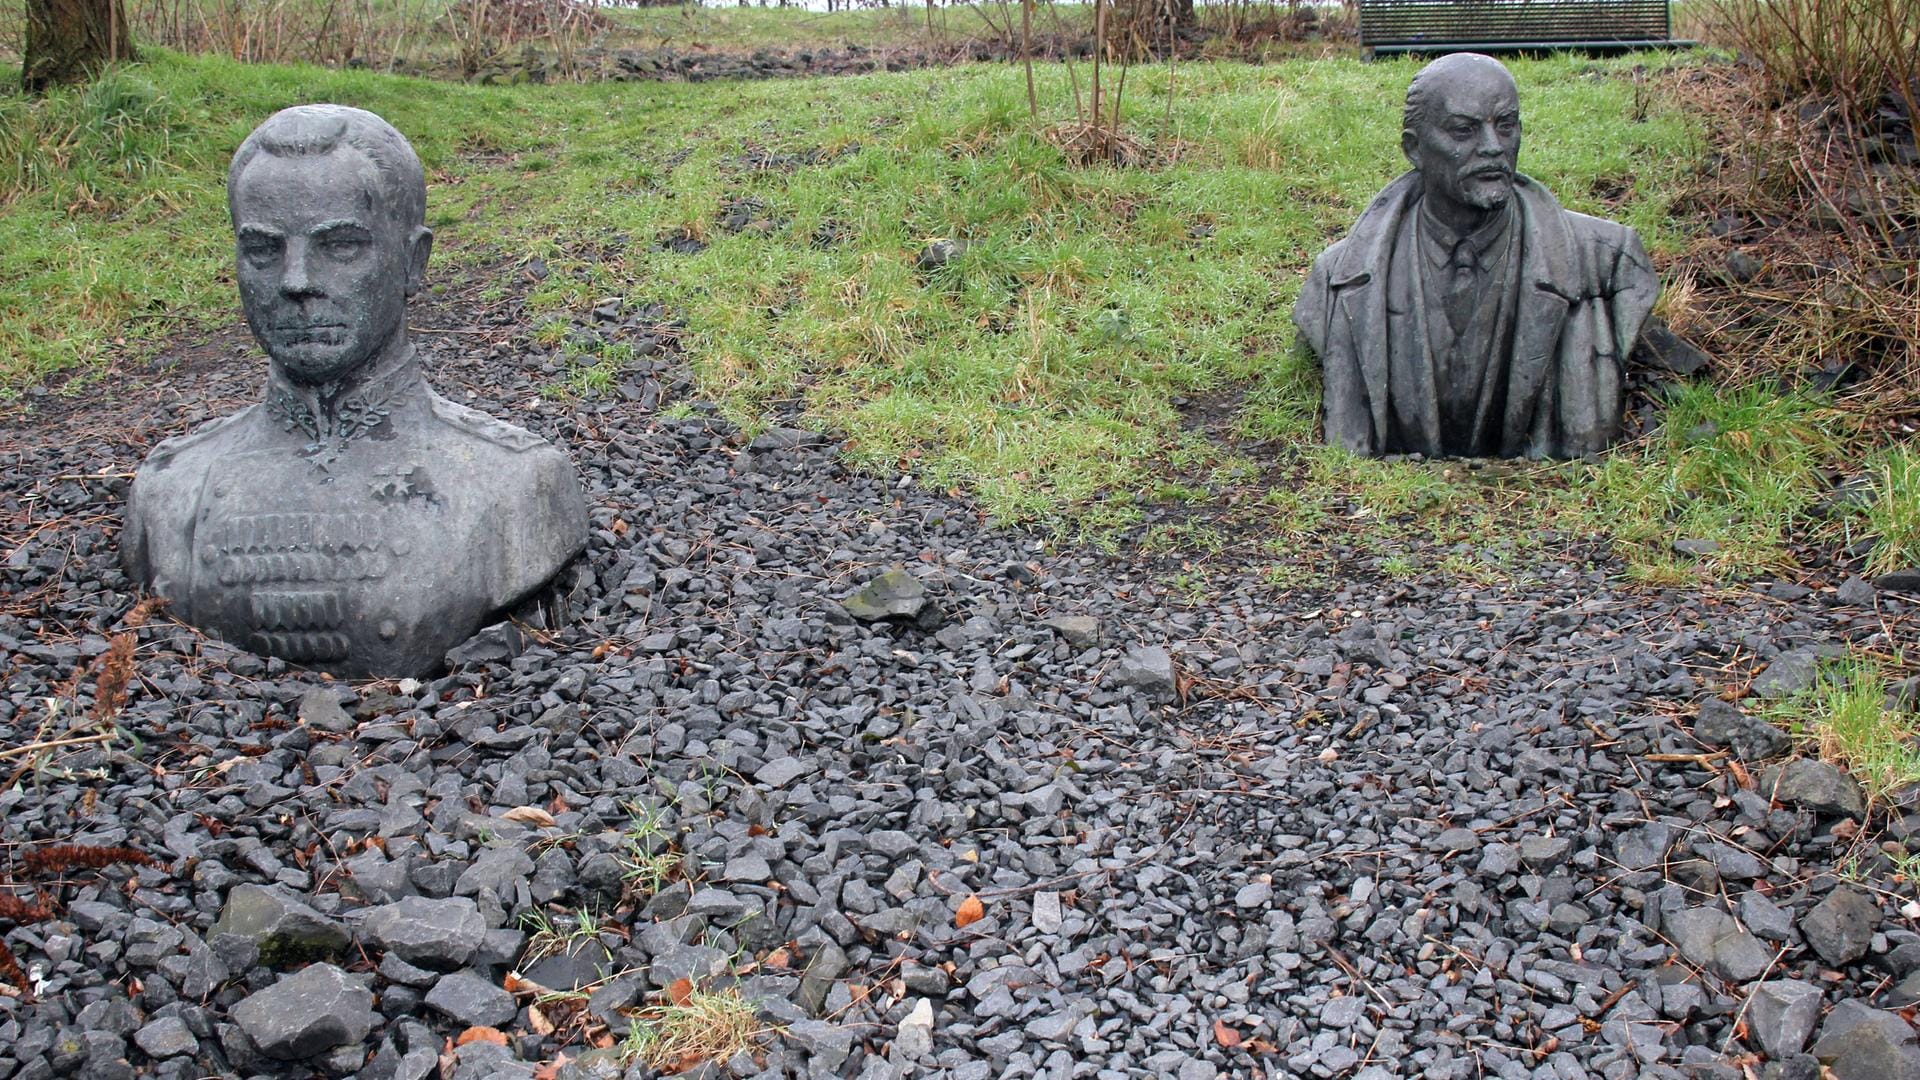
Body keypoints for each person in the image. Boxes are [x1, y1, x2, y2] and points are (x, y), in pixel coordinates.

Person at [122, 104, 587, 678]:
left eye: (339, 247)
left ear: (413, 263)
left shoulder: (518, 484)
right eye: (264, 250)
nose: (297, 282)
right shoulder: (169, 491)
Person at [1292, 52, 1659, 460]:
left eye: (1505, 127)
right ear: (1414, 149)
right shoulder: (1336, 277)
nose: (1492, 148)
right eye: (1463, 130)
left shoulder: (1608, 261)